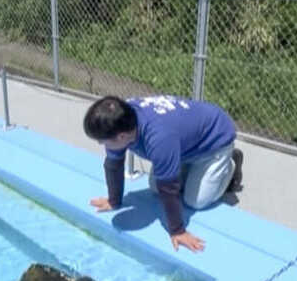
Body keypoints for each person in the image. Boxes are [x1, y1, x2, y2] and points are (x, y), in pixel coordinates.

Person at [83, 95, 243, 252]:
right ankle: (194, 169)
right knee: (156, 188)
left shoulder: (159, 138)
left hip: (213, 142)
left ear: (122, 137)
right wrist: (114, 200)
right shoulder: (120, 120)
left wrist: (178, 231)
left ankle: (230, 164)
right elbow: (114, 164)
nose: (100, 144)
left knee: (195, 201)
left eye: (102, 141)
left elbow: (168, 188)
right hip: (183, 144)